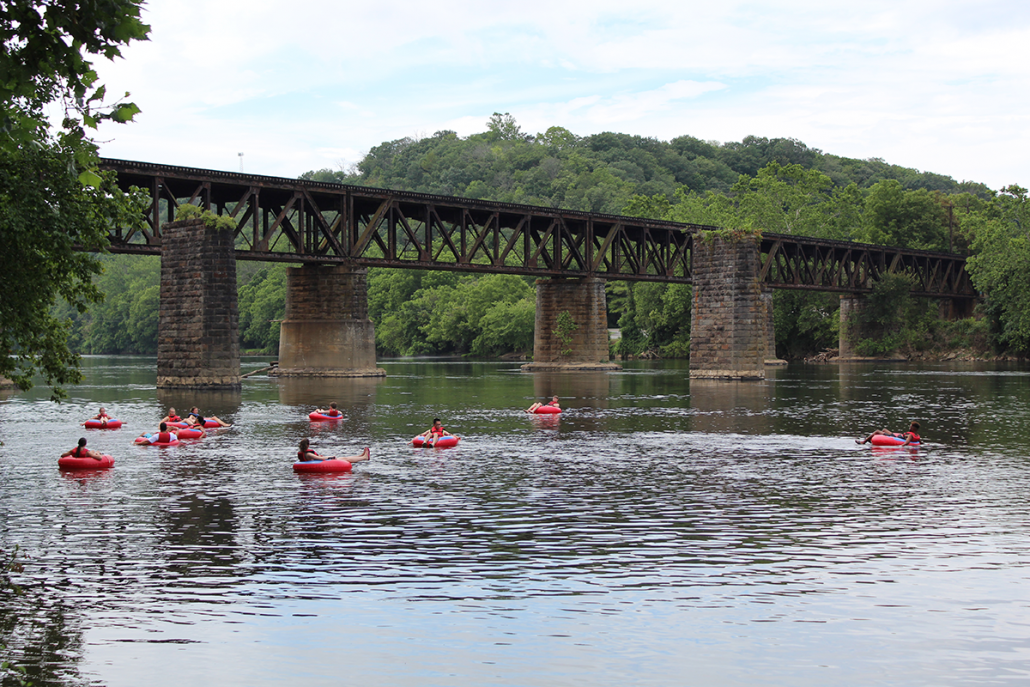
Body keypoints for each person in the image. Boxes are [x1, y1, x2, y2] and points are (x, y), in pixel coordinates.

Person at [296, 438, 370, 463]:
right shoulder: (308, 454)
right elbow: (320, 458)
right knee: (345, 459)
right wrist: (330, 457)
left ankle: (361, 456)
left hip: (319, 462)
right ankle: (364, 457)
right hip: (325, 462)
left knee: (345, 458)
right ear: (308, 445)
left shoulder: (301, 453)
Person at [856, 421, 921, 446]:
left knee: (877, 431)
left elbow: (906, 442)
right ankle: (869, 439)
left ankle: (864, 442)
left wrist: (901, 446)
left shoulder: (910, 435)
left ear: (913, 428)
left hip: (896, 438)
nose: (909, 427)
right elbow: (920, 442)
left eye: (911, 426)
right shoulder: (917, 435)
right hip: (896, 435)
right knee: (884, 430)